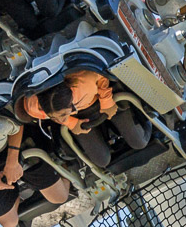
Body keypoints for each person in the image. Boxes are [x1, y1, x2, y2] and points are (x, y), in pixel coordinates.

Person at [22, 72, 150, 168]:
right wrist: (70, 122)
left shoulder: (84, 81)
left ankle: (147, 121)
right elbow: (50, 116)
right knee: (102, 161)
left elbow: (101, 76)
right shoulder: (34, 107)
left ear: (70, 102)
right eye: (54, 117)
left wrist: (107, 101)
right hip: (79, 118)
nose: (60, 120)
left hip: (100, 102)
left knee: (139, 142)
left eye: (63, 115)